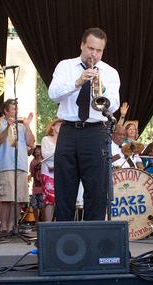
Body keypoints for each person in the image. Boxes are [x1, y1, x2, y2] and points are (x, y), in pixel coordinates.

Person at [48, 27, 120, 221]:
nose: (94, 54)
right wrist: (77, 83)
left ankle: (93, 242)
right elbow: (53, 94)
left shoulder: (110, 72)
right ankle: (63, 241)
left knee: (96, 190)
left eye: (99, 51)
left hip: (96, 133)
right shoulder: (65, 66)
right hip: (69, 131)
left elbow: (114, 103)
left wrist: (102, 93)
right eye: (90, 48)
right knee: (65, 188)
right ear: (81, 45)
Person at [0, 99, 35, 235]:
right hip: (5, 164)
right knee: (7, 198)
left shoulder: (22, 126)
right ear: (6, 110)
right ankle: (3, 227)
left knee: (19, 199)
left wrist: (27, 125)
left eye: (17, 108)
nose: (16, 111)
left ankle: (13, 227)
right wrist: (7, 127)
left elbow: (31, 142)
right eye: (13, 109)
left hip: (21, 165)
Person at [40, 118, 62, 222]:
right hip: (48, 173)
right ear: (53, 126)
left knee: (60, 199)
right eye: (59, 124)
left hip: (60, 172)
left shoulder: (65, 140)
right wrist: (60, 153)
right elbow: (45, 155)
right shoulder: (46, 139)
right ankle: (48, 223)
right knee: (49, 199)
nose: (61, 126)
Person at [28, 145, 44, 222]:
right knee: (34, 206)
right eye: (35, 150)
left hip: (44, 187)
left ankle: (44, 222)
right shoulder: (32, 162)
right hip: (35, 187)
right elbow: (31, 173)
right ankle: (36, 222)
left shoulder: (45, 160)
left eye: (38, 149)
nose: (37, 151)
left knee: (43, 206)